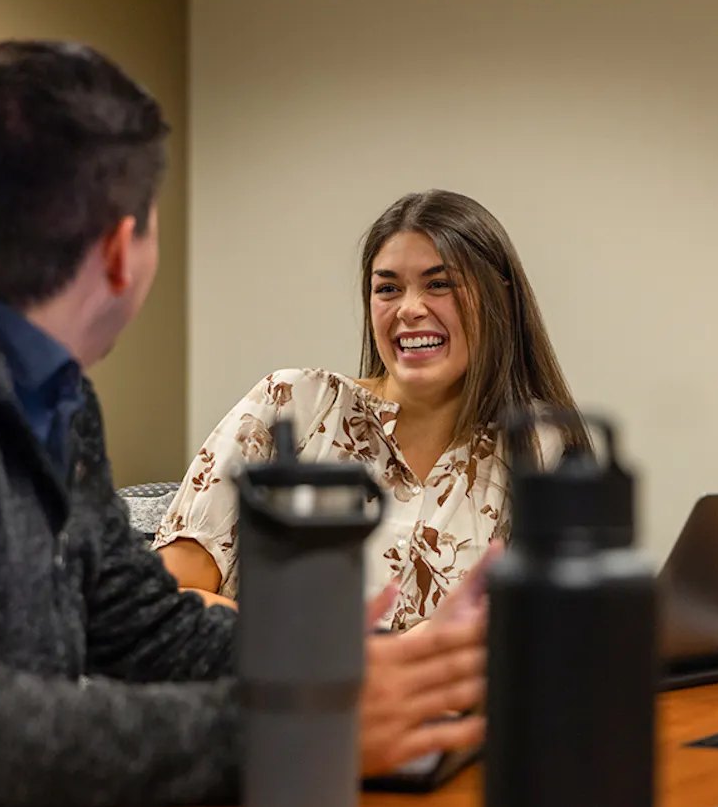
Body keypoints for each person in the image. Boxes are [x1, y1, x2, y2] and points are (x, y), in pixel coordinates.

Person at [0, 42, 485, 807]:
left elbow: (142, 630)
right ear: (117, 250)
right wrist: (287, 730)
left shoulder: (47, 396)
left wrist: (348, 671)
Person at [155, 190, 586, 630]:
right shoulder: (291, 403)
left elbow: (556, 632)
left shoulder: (541, 445)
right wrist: (312, 654)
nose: (410, 309)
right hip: (270, 695)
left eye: (439, 284)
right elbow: (167, 598)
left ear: (499, 297)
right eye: (388, 289)